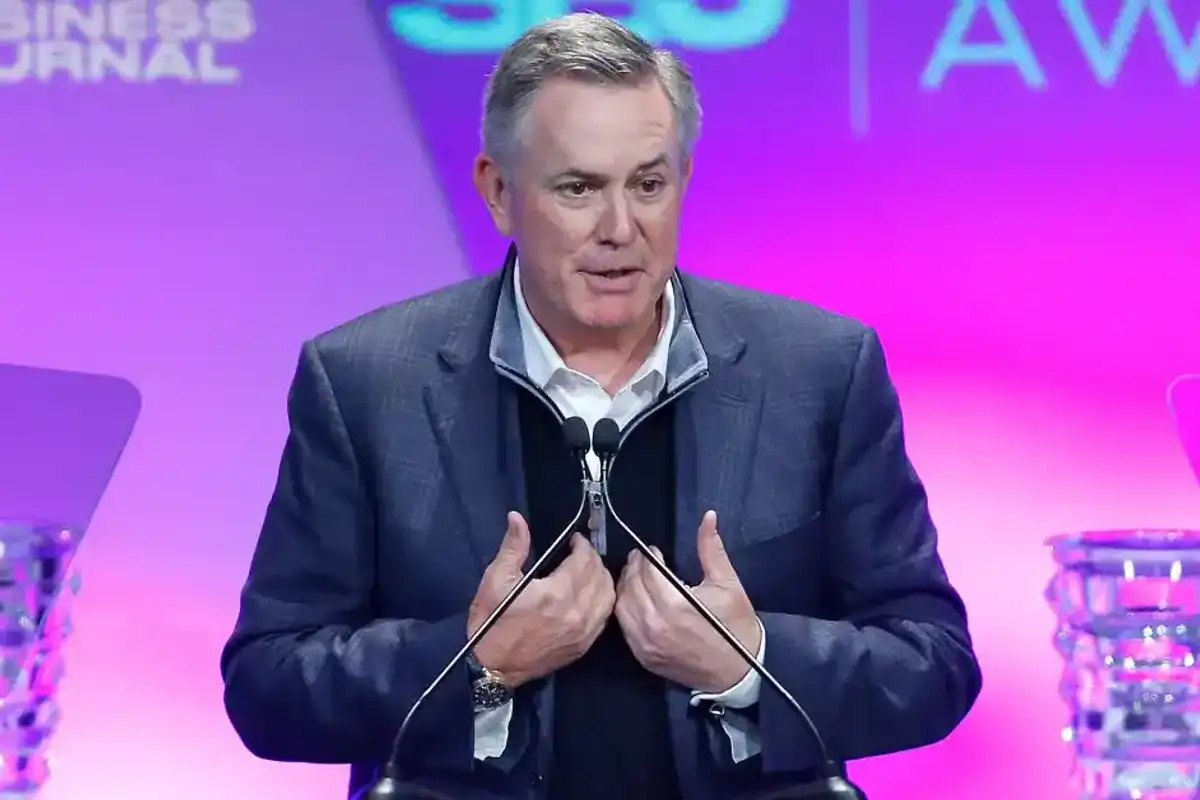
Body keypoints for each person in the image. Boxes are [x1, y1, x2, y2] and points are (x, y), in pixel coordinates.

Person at [219, 12, 981, 800]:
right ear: (499, 192)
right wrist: (478, 663)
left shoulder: (818, 370)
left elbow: (934, 664)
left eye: (648, 184)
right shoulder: (368, 383)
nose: (622, 229)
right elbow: (267, 687)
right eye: (578, 188)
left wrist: (749, 664)